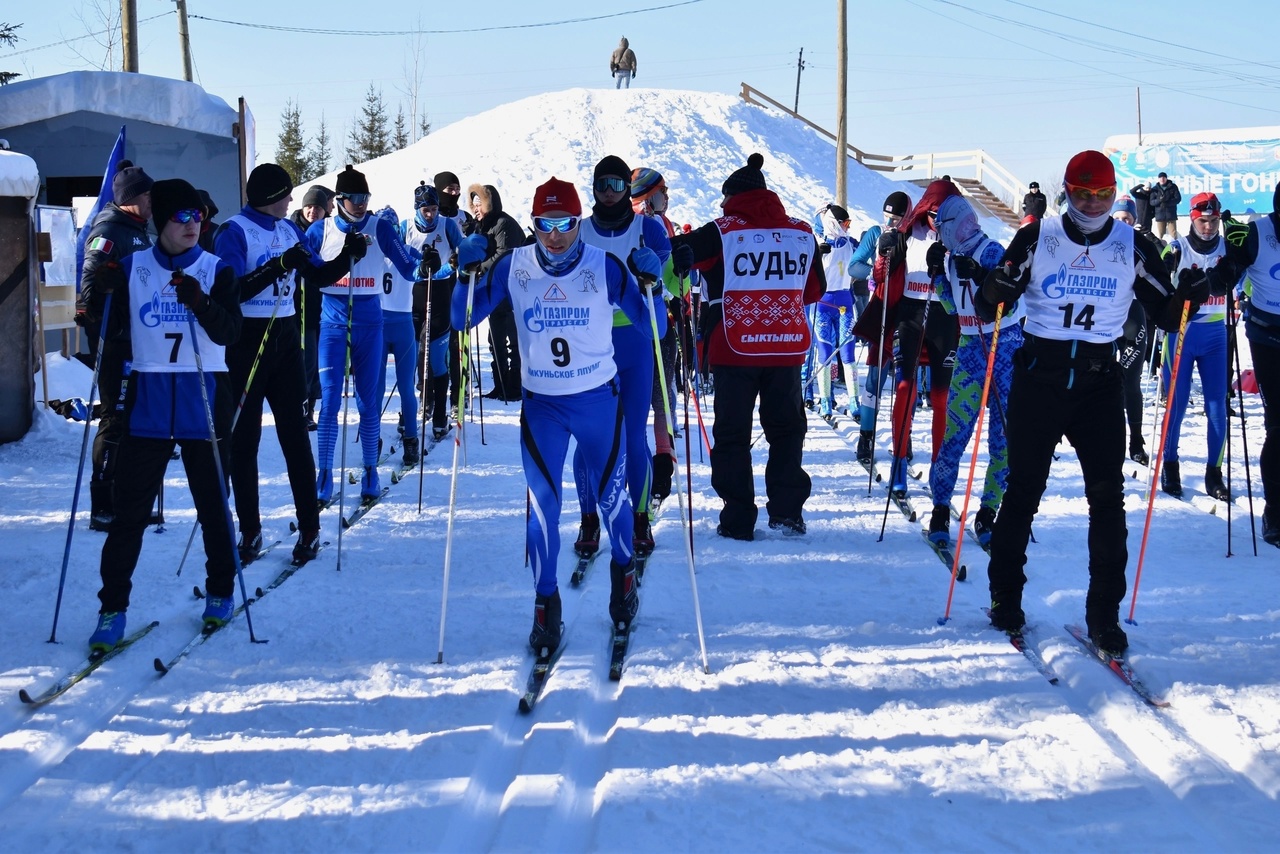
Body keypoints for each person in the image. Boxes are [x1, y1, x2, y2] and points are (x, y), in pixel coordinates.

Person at [977, 149, 1209, 655]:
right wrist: (995, 287)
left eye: (1102, 195)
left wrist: (1188, 293)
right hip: (1041, 378)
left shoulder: (1131, 243)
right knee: (1023, 492)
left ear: (1113, 194)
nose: (1092, 204)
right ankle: (1005, 598)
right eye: (1082, 194)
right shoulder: (1040, 234)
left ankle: (1104, 615)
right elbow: (990, 301)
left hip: (1099, 384)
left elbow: (1168, 315)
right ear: (1066, 191)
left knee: (1107, 499)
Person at [451, 177, 661, 655]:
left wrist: (653, 283)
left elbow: (658, 326)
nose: (556, 236)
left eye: (565, 223)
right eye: (545, 225)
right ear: (534, 224)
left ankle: (623, 576)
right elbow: (462, 318)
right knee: (543, 508)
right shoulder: (513, 266)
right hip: (541, 406)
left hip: (596, 402)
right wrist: (462, 275)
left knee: (612, 499)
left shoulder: (603, 266)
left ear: (578, 221)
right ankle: (546, 606)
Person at [85, 178, 244, 652]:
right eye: (181, 217)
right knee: (130, 513)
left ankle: (219, 593)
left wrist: (200, 301)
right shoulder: (133, 267)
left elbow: (231, 332)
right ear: (161, 222)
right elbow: (104, 328)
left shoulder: (219, 270)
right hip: (149, 400)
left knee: (213, 507)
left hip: (204, 397)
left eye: (197, 217)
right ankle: (112, 608)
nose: (192, 225)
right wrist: (100, 295)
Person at [670, 153, 825, 539]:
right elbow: (816, 289)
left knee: (733, 435)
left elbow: (676, 251)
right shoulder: (802, 232)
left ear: (730, 197)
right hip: (786, 346)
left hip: (735, 347)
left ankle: (738, 518)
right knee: (787, 431)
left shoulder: (721, 230)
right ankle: (788, 511)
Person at [217, 164, 354, 564]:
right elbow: (231, 293)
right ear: (269, 197)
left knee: (295, 436)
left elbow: (319, 274)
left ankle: (310, 529)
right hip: (245, 344)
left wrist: (348, 255)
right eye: (286, 194)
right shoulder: (235, 231)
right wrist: (277, 266)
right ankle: (250, 530)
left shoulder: (288, 230)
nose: (292, 201)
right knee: (245, 442)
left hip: (285, 342)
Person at [572, 155, 672, 557]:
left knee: (632, 435)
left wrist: (668, 269)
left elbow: (671, 282)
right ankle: (589, 518)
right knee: (590, 435)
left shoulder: (646, 228)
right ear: (593, 188)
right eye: (603, 185)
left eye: (618, 185)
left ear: (627, 190)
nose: (610, 193)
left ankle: (640, 517)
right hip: (589, 344)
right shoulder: (578, 231)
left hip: (633, 343)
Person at [305, 165, 420, 504]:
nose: (360, 204)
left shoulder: (379, 227)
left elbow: (407, 266)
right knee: (328, 403)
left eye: (364, 197)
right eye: (353, 198)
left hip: (370, 321)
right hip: (332, 323)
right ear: (338, 200)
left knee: (368, 403)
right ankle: (324, 475)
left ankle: (371, 470)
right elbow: (309, 271)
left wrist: (427, 264)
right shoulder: (319, 230)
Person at [925, 194, 1023, 547]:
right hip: (969, 348)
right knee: (955, 434)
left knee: (1002, 438)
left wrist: (983, 276)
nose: (941, 238)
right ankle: (939, 507)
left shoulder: (991, 251)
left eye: (942, 231)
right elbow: (952, 307)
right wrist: (937, 273)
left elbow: (1009, 300)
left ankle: (988, 512)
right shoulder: (952, 258)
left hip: (1004, 345)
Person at [77, 160, 154, 531]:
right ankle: (102, 504)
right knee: (116, 419)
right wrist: (99, 291)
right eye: (146, 193)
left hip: (137, 339)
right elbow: (90, 280)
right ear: (129, 198)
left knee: (136, 421)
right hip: (116, 341)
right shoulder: (110, 229)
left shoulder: (139, 229)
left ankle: (128, 499)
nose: (152, 198)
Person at [874, 180, 962, 498]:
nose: (937, 218)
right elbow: (880, 277)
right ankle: (899, 462)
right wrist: (884, 256)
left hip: (944, 319)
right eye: (934, 211)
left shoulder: (961, 236)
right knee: (905, 390)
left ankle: (940, 467)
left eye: (945, 212)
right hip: (910, 315)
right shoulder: (909, 232)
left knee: (941, 398)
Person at [1208, 186, 1280, 543]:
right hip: (1269, 338)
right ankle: (1275, 512)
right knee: (1279, 426)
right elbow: (1224, 278)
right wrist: (1226, 268)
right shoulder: (1258, 233)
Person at [1157, 192, 1231, 501]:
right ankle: (1170, 465)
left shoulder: (1228, 249)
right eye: (1203, 221)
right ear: (1192, 218)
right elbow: (1158, 273)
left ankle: (1214, 473)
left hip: (1215, 335)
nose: (1209, 227)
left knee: (1217, 408)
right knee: (1177, 403)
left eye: (1214, 221)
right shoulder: (1178, 247)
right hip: (1181, 335)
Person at [630, 166, 687, 505]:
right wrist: (683, 274)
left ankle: (650, 466)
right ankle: (661, 465)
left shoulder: (649, 223)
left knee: (644, 399)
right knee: (660, 396)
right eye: (663, 191)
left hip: (634, 324)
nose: (667, 197)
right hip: (651, 321)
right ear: (650, 195)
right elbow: (675, 287)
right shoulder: (651, 225)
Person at [400, 182, 465, 442]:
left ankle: (439, 416)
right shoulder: (404, 228)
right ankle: (408, 415)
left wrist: (459, 261)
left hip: (440, 296)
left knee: (437, 360)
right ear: (417, 208)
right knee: (413, 359)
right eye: (426, 210)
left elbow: (463, 251)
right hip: (411, 297)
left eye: (434, 209)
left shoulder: (447, 225)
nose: (431, 214)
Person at [850, 191, 911, 464]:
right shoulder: (875, 233)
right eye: (887, 217)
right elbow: (854, 267)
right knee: (876, 378)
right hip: (881, 309)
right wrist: (874, 277)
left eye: (896, 219)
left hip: (907, 312)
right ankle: (866, 437)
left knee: (905, 381)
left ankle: (903, 437)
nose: (890, 223)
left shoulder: (914, 236)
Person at [467, 183, 527, 401]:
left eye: (479, 203)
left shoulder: (503, 224)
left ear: (489, 203)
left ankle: (514, 387)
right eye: (473, 204)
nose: (476, 209)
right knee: (496, 341)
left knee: (512, 342)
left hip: (511, 292)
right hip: (494, 291)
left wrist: (478, 267)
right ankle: (500, 385)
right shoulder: (482, 226)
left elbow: (505, 257)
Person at [808, 203, 860, 420]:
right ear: (833, 223)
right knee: (825, 354)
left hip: (845, 304)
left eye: (849, 223)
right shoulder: (818, 244)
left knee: (848, 355)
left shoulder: (851, 243)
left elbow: (865, 260)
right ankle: (826, 400)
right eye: (844, 223)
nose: (847, 227)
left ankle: (854, 401)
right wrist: (816, 257)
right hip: (823, 305)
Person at [1111, 197, 1153, 466]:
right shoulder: (1101, 243)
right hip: (1104, 320)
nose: (1123, 223)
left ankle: (1136, 440)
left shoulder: (1143, 246)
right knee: (1102, 381)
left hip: (1133, 319)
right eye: (1118, 219)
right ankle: (1106, 437)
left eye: (1127, 219)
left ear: (1134, 221)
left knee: (1131, 382)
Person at [290, 184, 334, 429]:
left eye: (318, 207)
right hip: (292, 304)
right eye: (309, 206)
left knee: (311, 360)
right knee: (294, 359)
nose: (312, 211)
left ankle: (308, 408)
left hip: (317, 303)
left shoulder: (329, 231)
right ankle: (294, 404)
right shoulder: (290, 229)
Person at [1150, 171, 1182, 241]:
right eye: (1160, 178)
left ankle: (1174, 249)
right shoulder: (1155, 189)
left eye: (1164, 178)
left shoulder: (1173, 187)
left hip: (1170, 214)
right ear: (1158, 179)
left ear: (1166, 178)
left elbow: (1178, 199)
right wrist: (1160, 201)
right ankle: (1162, 249)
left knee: (1173, 234)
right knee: (1161, 235)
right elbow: (1152, 202)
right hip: (1160, 214)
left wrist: (1167, 203)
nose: (1162, 179)